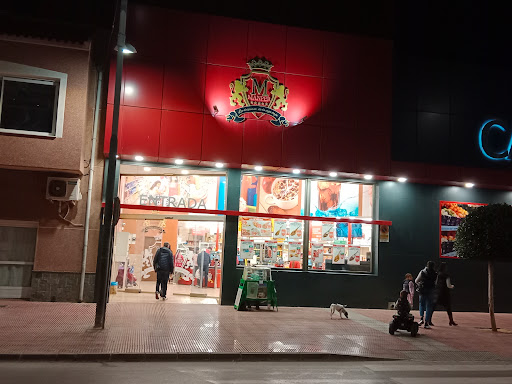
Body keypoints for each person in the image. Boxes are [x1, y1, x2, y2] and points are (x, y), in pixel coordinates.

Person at [415, 260, 437, 329]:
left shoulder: (422, 272)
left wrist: (420, 284)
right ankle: (427, 322)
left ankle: (421, 318)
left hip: (422, 291)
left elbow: (416, 281)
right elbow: (435, 283)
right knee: (429, 306)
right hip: (430, 291)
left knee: (421, 304)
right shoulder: (435, 273)